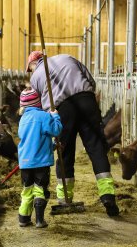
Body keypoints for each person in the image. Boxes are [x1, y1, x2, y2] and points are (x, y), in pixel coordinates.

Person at [27, 51, 119, 216]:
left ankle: (65, 199)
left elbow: (38, 105)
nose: (31, 72)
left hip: (62, 109)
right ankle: (108, 196)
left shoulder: (35, 77)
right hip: (86, 100)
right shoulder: (67, 57)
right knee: (97, 148)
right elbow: (90, 80)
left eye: (30, 68)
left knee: (65, 152)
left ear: (33, 64)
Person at [17, 87, 62, 228]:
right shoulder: (44, 116)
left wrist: (52, 146)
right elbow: (56, 130)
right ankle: (39, 220)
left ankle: (23, 219)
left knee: (27, 190)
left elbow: (31, 140)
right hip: (41, 162)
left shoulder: (23, 119)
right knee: (40, 189)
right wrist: (55, 116)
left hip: (25, 162)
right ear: (38, 103)